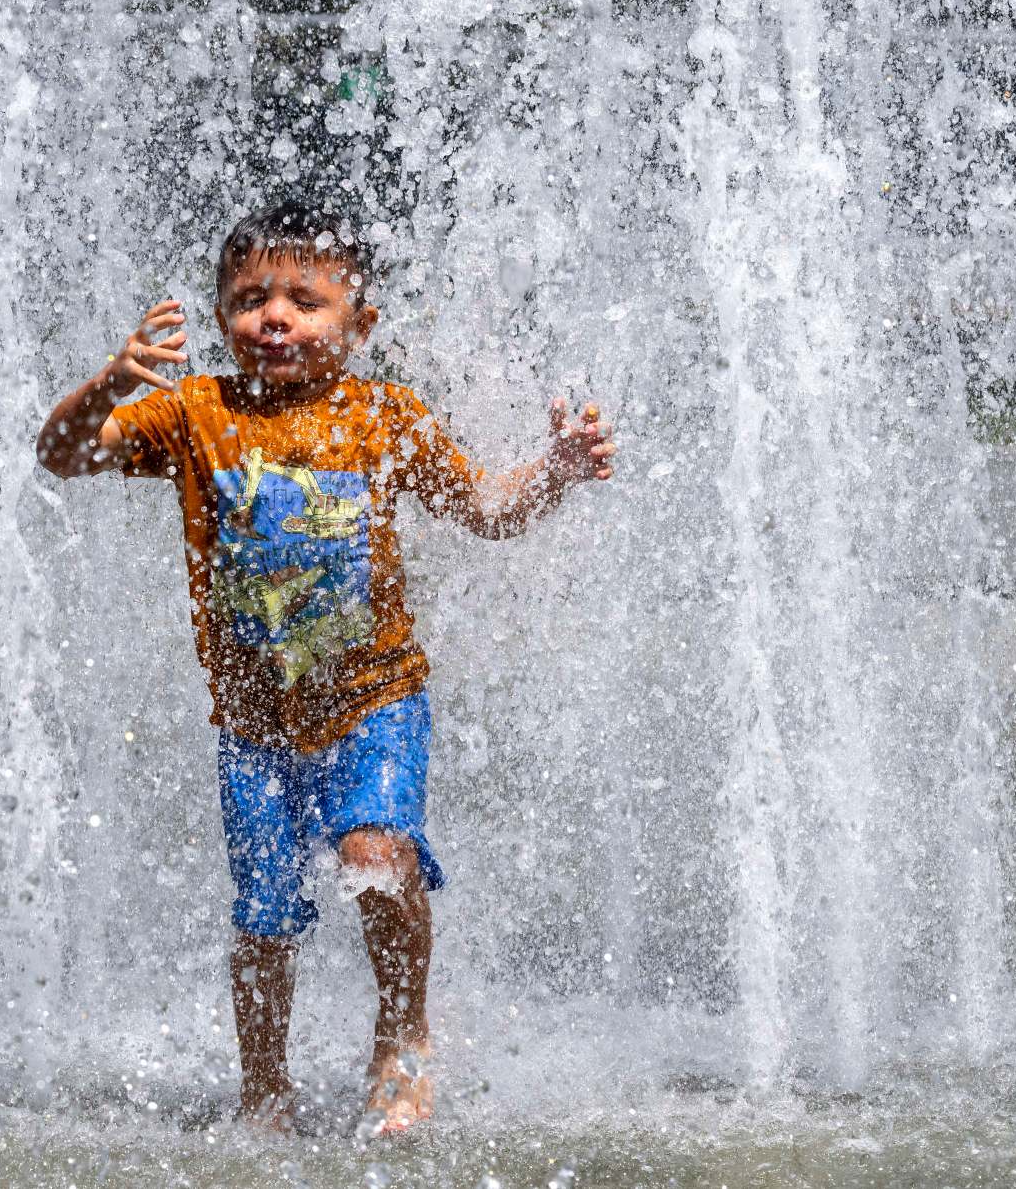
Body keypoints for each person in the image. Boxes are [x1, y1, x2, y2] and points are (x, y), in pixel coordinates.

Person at [34, 202, 616, 1134]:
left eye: (305, 301)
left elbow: (487, 510)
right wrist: (108, 381)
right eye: (250, 297)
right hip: (253, 723)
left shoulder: (383, 416)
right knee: (264, 919)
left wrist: (556, 469)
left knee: (377, 856)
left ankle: (401, 1034)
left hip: (375, 700)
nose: (275, 317)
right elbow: (60, 458)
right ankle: (264, 1086)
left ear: (359, 323)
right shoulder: (194, 412)